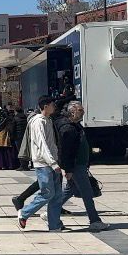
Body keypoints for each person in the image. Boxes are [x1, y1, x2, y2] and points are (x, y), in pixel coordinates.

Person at [56, 101, 109, 231]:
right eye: (80, 110)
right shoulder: (68, 127)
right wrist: (68, 169)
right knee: (87, 193)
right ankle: (94, 220)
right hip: (76, 166)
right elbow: (67, 151)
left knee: (70, 190)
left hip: (79, 165)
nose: (83, 112)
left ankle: (51, 211)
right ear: (72, 111)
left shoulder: (75, 125)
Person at [18, 96, 66, 231]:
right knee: (48, 193)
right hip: (43, 164)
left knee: (56, 196)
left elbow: (51, 144)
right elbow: (42, 144)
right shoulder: (38, 122)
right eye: (52, 105)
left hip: (52, 162)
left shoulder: (48, 120)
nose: (54, 107)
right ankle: (24, 213)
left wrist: (56, 161)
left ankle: (54, 224)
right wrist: (53, 163)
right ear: (45, 106)